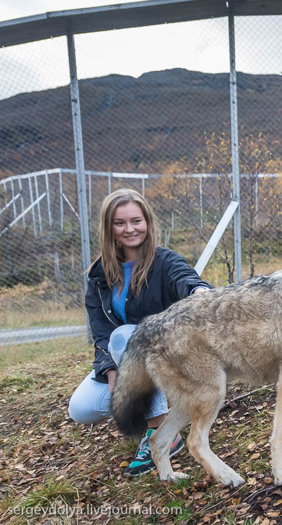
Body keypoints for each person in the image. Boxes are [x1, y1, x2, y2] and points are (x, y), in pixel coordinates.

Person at [68, 188, 212, 476]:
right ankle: (154, 404)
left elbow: (186, 278)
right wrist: (110, 371)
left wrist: (200, 292)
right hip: (127, 363)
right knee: (81, 408)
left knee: (127, 336)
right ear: (109, 227)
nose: (129, 229)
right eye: (120, 223)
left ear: (147, 221)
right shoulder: (98, 275)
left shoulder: (164, 261)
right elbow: (100, 334)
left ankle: (162, 433)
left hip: (169, 358)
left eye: (136, 221)